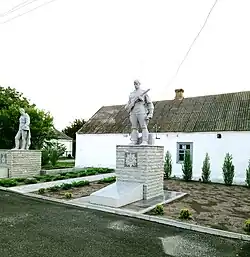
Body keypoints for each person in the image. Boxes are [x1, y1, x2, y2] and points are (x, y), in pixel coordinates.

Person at [125, 80, 154, 145]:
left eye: (137, 84)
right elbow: (128, 104)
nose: (135, 85)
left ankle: (144, 141)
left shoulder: (143, 92)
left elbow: (150, 103)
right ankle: (134, 140)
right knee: (134, 127)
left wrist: (150, 113)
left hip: (141, 110)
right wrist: (128, 106)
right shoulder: (131, 94)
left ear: (139, 84)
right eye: (134, 84)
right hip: (133, 111)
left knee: (143, 126)